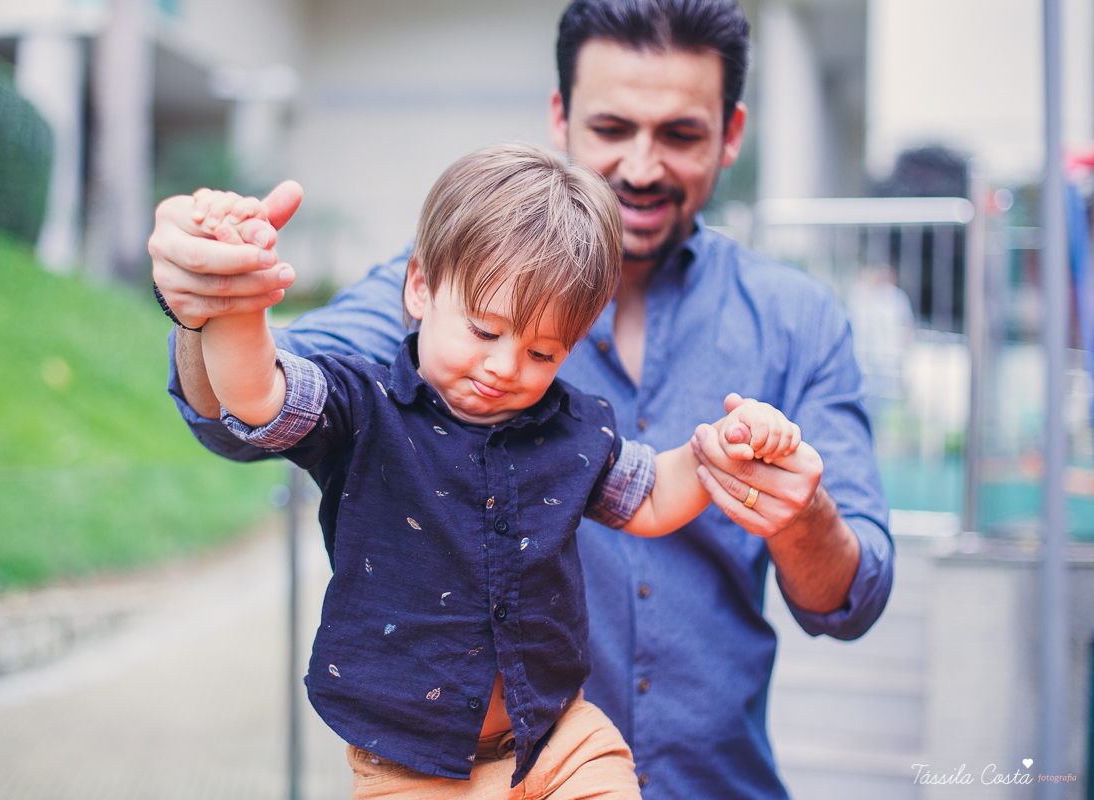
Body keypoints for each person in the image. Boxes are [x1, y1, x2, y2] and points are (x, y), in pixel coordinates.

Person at [149, 1, 894, 796]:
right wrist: (221, 303)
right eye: (613, 128)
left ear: (730, 133)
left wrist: (738, 462)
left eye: (680, 134)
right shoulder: (437, 295)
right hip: (422, 762)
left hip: (609, 751)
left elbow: (827, 585)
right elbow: (258, 400)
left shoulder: (792, 322)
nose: (643, 166)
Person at [196, 143, 804, 798]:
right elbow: (256, 395)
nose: (505, 368)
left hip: (558, 737)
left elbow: (651, 496)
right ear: (421, 287)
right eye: (484, 332)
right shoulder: (365, 406)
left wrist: (718, 454)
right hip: (409, 762)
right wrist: (235, 305)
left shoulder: (570, 429)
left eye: (543, 353)